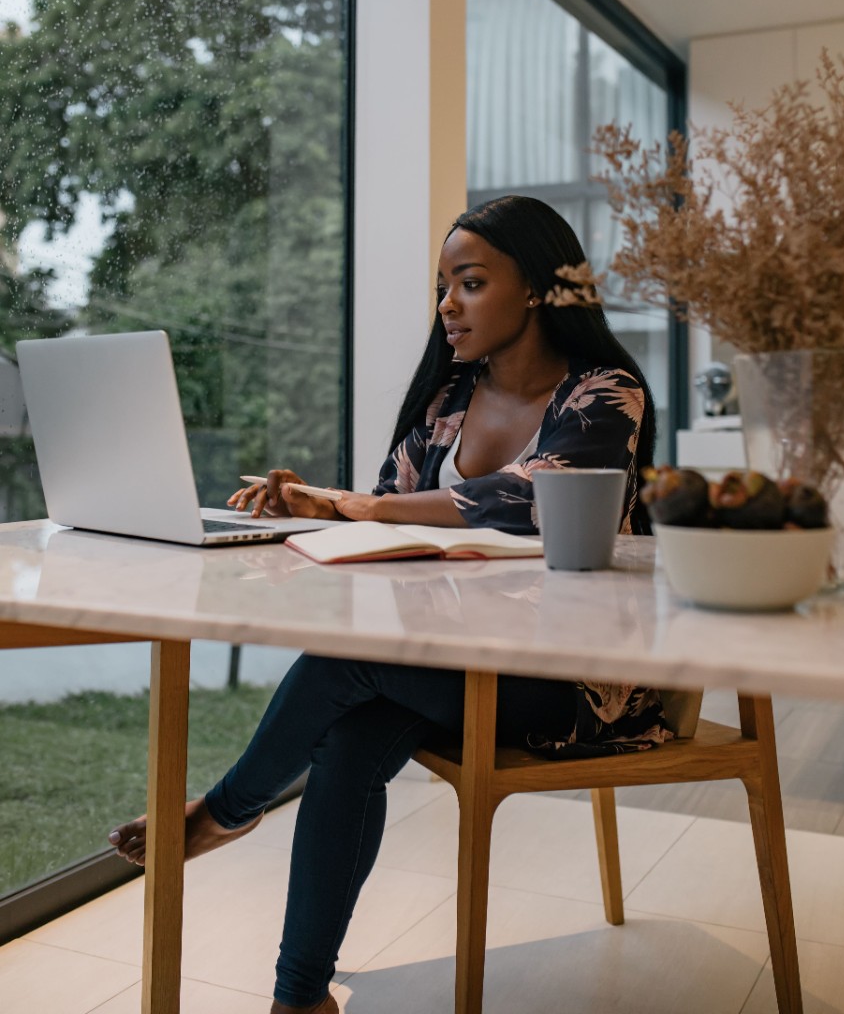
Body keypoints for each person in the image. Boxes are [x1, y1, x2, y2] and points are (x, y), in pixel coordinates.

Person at [109, 194, 670, 1014]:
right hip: (453, 666)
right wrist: (312, 505)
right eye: (442, 286)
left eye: (470, 282)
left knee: (353, 662)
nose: (447, 305)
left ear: (542, 288)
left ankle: (225, 812)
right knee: (350, 732)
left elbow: (534, 495)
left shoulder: (603, 390)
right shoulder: (449, 400)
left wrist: (363, 509)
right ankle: (298, 997)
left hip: (569, 683)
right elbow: (382, 510)